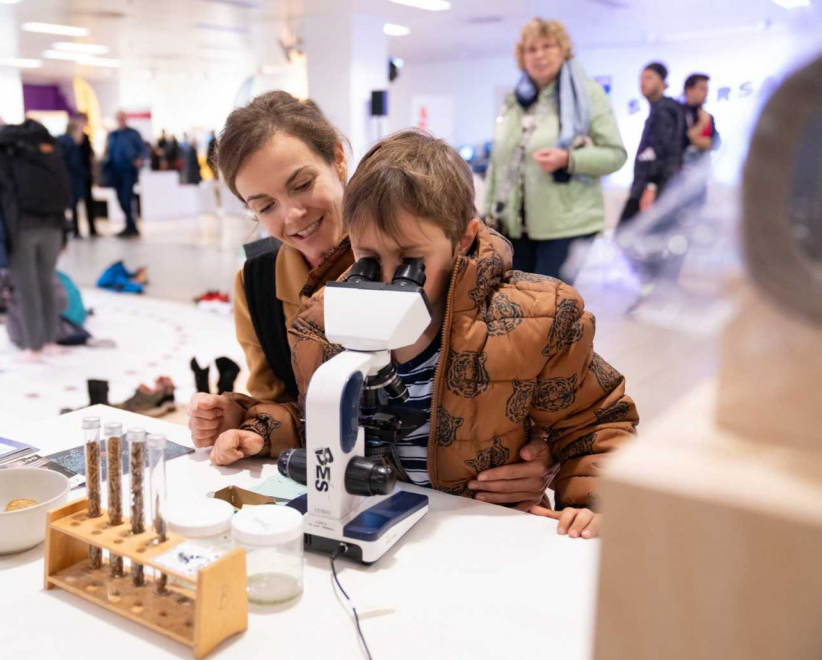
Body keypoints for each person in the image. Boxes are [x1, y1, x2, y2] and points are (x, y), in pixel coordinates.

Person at [208, 130, 640, 538]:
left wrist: (590, 502)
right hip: (378, 517)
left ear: (463, 237)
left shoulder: (536, 320)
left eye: (411, 260)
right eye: (369, 259)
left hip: (484, 528)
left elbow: (596, 421)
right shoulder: (322, 323)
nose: (390, 278)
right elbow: (315, 422)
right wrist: (260, 431)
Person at [188, 91, 558, 511]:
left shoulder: (447, 257)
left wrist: (545, 454)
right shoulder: (256, 283)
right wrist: (239, 419)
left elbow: (551, 389)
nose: (291, 215)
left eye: (303, 184)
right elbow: (288, 405)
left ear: (339, 158)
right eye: (266, 205)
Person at [484, 18, 626, 283]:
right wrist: (487, 211)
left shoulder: (588, 94)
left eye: (547, 46)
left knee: (551, 310)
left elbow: (615, 155)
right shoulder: (514, 100)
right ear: (522, 56)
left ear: (563, 50)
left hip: (565, 226)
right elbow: (499, 160)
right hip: (513, 226)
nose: (539, 55)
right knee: (518, 307)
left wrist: (569, 159)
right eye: (531, 49)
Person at [0, 116, 70, 361]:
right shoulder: (36, 144)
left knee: (26, 288)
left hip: (20, 228)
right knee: (46, 281)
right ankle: (50, 340)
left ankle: (33, 346)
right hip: (53, 225)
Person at [619, 62, 688, 224]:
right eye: (641, 78)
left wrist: (651, 186)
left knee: (627, 236)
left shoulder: (664, 110)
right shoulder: (667, 108)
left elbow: (661, 149)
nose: (643, 82)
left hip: (654, 189)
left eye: (649, 77)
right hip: (660, 187)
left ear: (663, 82)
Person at [105, 111, 147, 238]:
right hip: (115, 171)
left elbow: (143, 150)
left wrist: (139, 160)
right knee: (120, 198)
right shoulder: (112, 135)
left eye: (122, 118)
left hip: (128, 171)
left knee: (127, 197)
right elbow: (108, 152)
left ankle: (131, 225)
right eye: (118, 118)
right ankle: (130, 224)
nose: (120, 120)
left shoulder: (133, 134)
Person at [58, 120, 91, 239]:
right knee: (73, 205)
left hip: (70, 179)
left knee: (72, 206)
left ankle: (73, 230)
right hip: (72, 180)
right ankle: (75, 230)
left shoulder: (64, 143)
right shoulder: (70, 144)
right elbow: (74, 164)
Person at [70, 111, 99, 237]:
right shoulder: (70, 138)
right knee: (74, 203)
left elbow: (90, 155)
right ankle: (76, 230)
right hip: (75, 175)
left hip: (85, 174)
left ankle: (92, 229)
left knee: (89, 202)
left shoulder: (86, 137)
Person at [682, 73, 721, 165]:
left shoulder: (708, 116)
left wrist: (695, 140)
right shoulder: (677, 113)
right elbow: (681, 140)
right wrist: (702, 123)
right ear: (689, 90)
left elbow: (716, 143)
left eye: (707, 89)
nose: (706, 93)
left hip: (704, 169)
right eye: (702, 89)